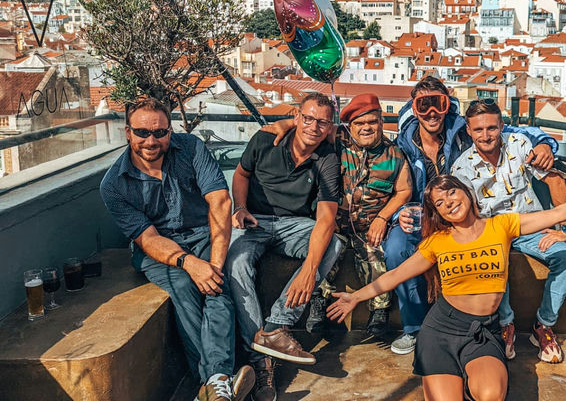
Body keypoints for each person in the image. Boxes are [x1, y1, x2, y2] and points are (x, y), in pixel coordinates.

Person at [328, 174, 566, 401]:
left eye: (452, 192)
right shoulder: (438, 241)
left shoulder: (500, 226)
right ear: (437, 212)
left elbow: (555, 215)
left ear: (468, 193)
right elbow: (394, 276)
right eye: (440, 202)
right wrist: (355, 297)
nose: (449, 202)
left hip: (483, 332)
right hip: (441, 332)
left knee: (490, 395)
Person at [384, 75, 559, 355]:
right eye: (423, 105)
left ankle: (471, 325)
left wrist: (545, 144)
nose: (431, 113)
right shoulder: (403, 142)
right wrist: (397, 215)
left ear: (447, 105)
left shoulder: (462, 130)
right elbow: (394, 184)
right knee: (395, 248)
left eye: (438, 104)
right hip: (424, 214)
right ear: (414, 108)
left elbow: (509, 131)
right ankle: (415, 328)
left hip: (465, 215)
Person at [99, 98, 253, 401]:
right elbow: (148, 238)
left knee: (217, 285)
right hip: (159, 247)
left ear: (171, 130)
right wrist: (190, 264)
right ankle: (218, 379)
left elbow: (220, 202)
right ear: (128, 133)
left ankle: (212, 385)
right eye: (142, 132)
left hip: (204, 234)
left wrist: (214, 264)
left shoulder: (192, 148)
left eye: (160, 132)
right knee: (183, 285)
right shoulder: (114, 184)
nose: (151, 140)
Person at [261, 93, 413, 337]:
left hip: (368, 227)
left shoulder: (394, 155)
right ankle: (318, 304)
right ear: (349, 126)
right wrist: (287, 123)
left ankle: (379, 312)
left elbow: (404, 190)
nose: (366, 128)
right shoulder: (338, 139)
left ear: (382, 123)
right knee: (325, 254)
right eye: (359, 124)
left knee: (376, 258)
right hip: (333, 224)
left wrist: (382, 218)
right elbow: (313, 126)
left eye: (372, 122)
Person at [226, 93, 344, 401]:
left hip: (294, 225)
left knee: (332, 243)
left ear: (329, 126)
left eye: (322, 122)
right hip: (256, 220)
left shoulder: (328, 158)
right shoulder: (266, 140)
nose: (313, 127)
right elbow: (241, 174)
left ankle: (277, 326)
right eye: (308, 118)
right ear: (296, 116)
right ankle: (261, 361)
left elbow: (326, 217)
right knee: (236, 262)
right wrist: (239, 207)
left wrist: (309, 269)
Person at [452, 99, 566, 363]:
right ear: (468, 130)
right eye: (478, 130)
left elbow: (554, 179)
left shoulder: (519, 145)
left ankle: (543, 325)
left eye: (492, 128)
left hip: (532, 225)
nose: (486, 136)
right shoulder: (461, 168)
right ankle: (505, 324)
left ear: (501, 126)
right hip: (494, 229)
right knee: (496, 259)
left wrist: (565, 229)